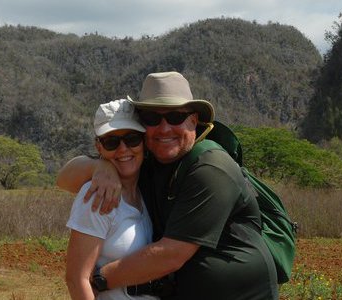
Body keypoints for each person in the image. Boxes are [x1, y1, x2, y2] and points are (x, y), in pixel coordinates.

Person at [57, 72, 278, 299]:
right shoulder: (148, 163)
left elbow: (171, 254)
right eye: (152, 118)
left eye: (175, 117)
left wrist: (98, 280)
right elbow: (64, 179)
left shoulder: (211, 167)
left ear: (193, 120)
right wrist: (100, 167)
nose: (164, 129)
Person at [64, 99, 158, 300]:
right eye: (111, 142)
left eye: (132, 139)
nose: (123, 149)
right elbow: (76, 279)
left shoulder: (148, 187)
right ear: (99, 147)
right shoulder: (97, 195)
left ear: (144, 141)